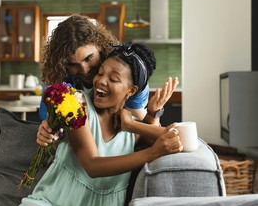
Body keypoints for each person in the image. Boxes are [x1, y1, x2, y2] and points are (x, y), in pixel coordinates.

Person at [13, 42, 183, 206]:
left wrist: (146, 117)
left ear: (131, 91)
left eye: (113, 79)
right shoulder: (77, 105)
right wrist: (153, 152)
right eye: (100, 73)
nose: (101, 81)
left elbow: (179, 138)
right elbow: (92, 166)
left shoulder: (131, 131)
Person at [37, 14, 178, 146]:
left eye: (89, 58)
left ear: (100, 46)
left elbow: (145, 133)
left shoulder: (128, 75)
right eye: (73, 64)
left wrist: (153, 113)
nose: (85, 70)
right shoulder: (61, 78)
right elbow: (53, 125)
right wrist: (48, 131)